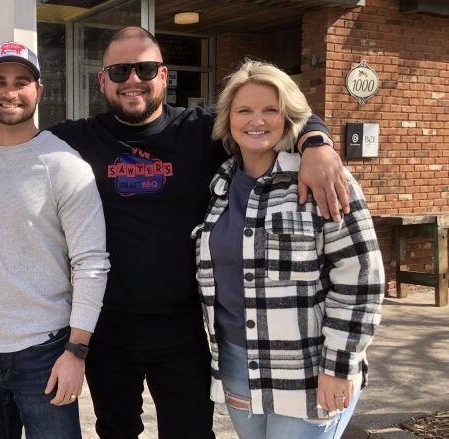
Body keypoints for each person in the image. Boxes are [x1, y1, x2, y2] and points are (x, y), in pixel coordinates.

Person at [48, 26, 350, 438]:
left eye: (145, 68)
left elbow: (273, 116)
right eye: (119, 71)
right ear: (102, 80)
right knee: (115, 431)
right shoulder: (76, 139)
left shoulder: (203, 130)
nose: (132, 80)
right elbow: (12, 144)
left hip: (185, 327)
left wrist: (318, 143)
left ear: (164, 75)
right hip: (109, 326)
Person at [192, 59, 384, 438]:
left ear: (288, 116)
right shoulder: (219, 186)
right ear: (228, 119)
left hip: (307, 367)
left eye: (270, 110)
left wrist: (339, 365)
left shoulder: (320, 178)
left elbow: (362, 277)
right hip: (236, 363)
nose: (256, 121)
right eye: (244, 110)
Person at [0, 41, 110, 439]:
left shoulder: (66, 166)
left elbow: (91, 263)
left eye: (22, 81)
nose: (10, 92)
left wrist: (76, 352)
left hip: (45, 351)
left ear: (38, 90)